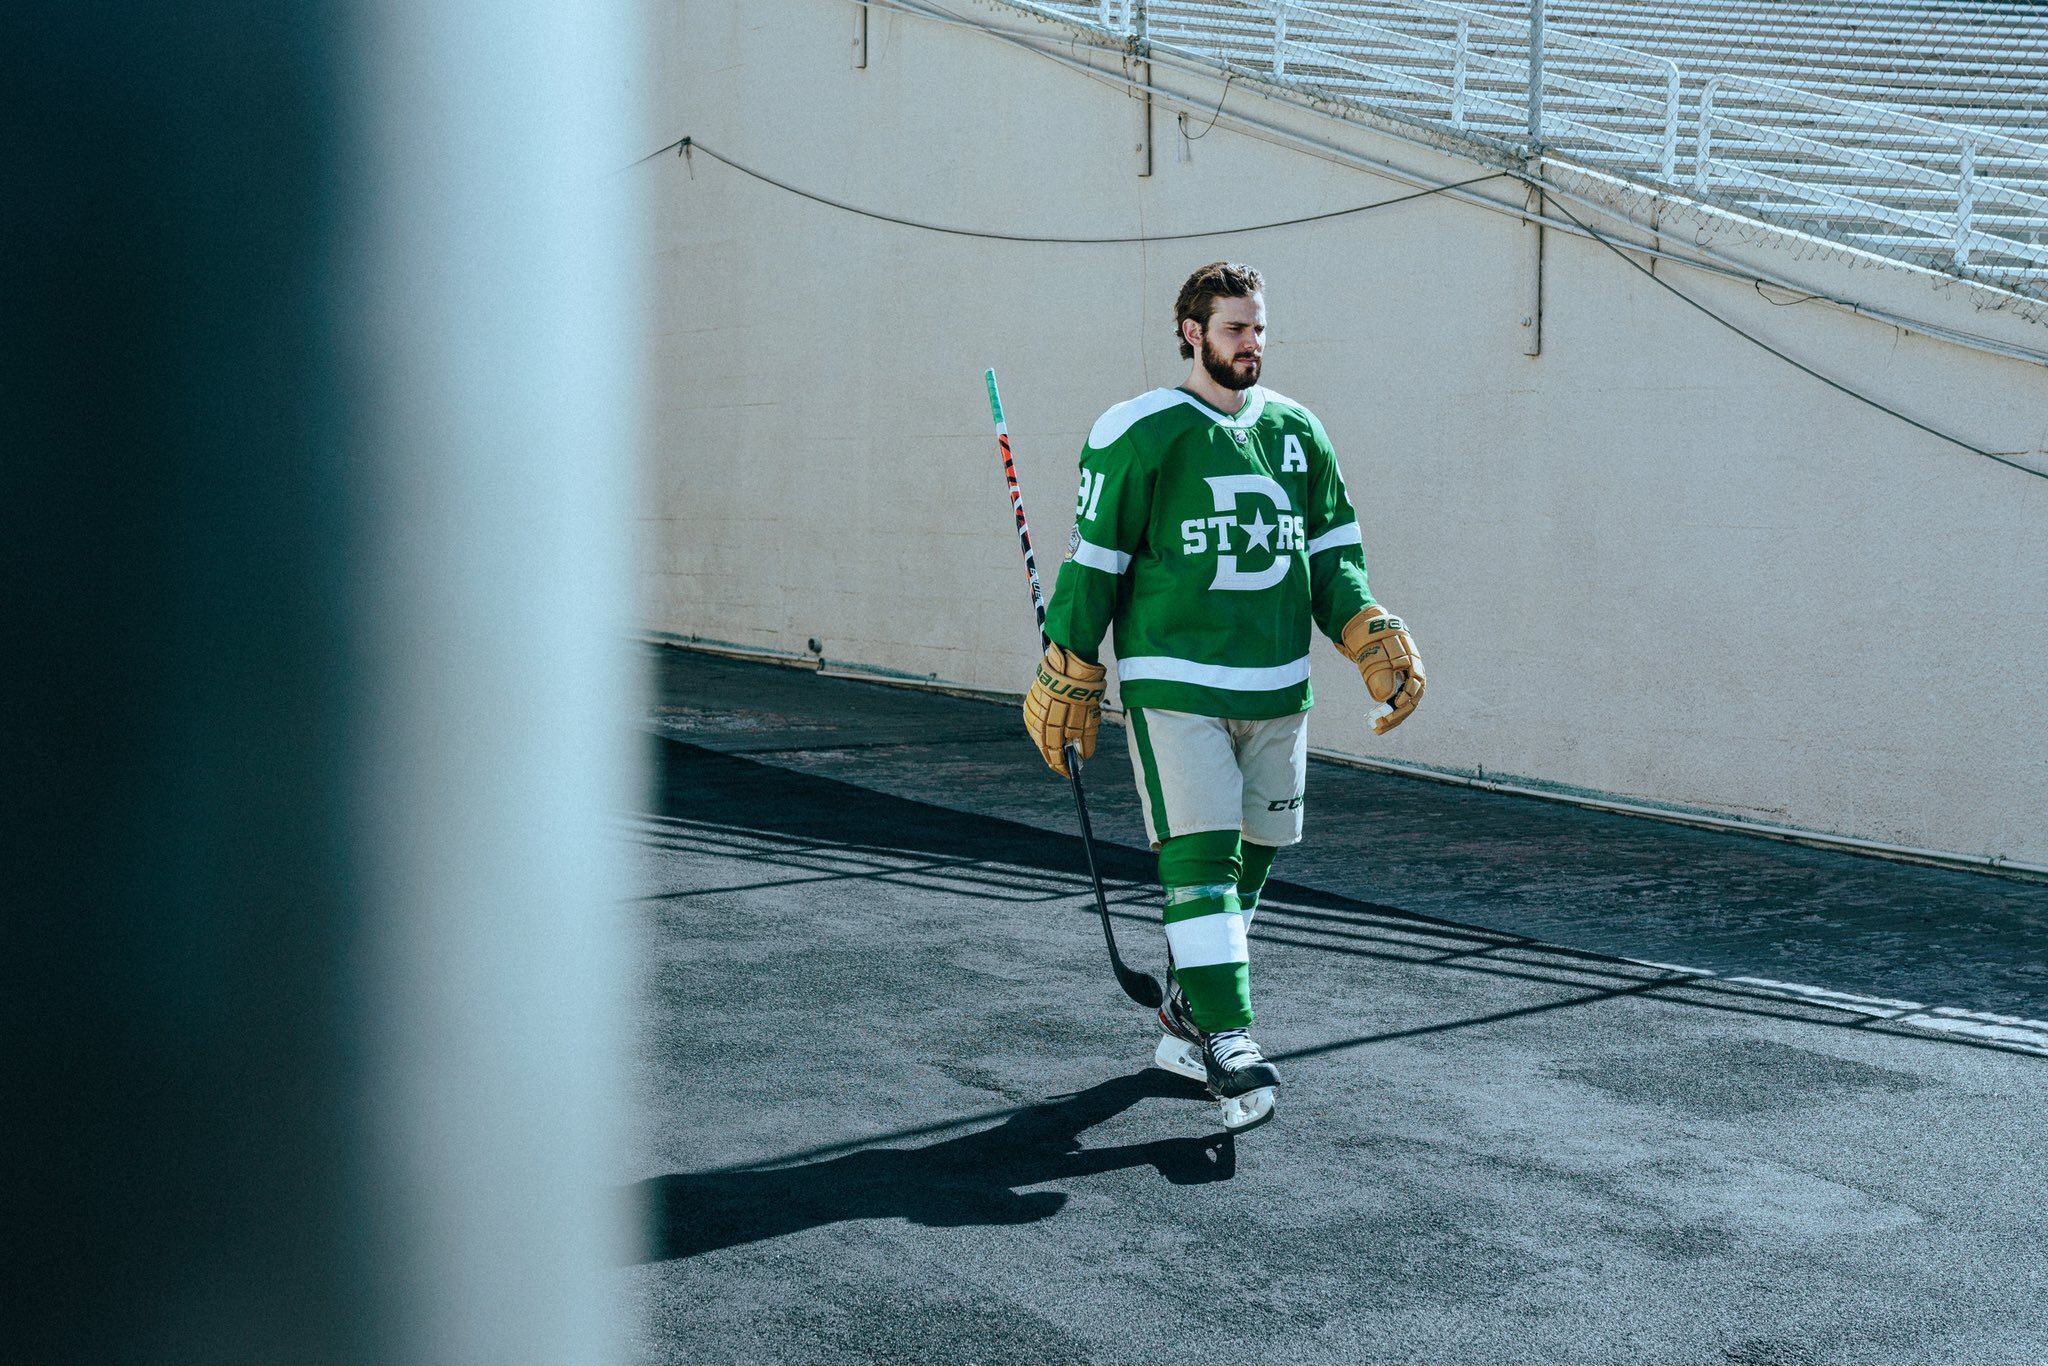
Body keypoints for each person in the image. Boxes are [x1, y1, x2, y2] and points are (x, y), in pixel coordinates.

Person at [1022, 261, 1424, 1133]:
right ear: (1191, 332)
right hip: (1179, 685)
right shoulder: (1138, 430)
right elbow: (1094, 565)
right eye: (1236, 328)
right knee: (1200, 861)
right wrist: (1067, 658)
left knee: (1257, 855)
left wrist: (1365, 631)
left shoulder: (1300, 434)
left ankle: (1186, 1012)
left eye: (1260, 328)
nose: (1253, 344)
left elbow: (1332, 565)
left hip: (1280, 686)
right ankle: (1231, 1040)